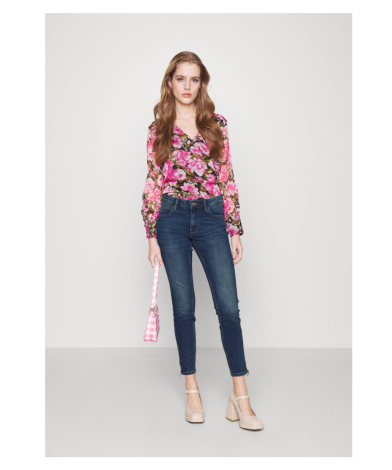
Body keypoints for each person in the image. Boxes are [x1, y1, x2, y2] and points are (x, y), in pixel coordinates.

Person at [140, 51, 264, 430]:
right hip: (171, 218)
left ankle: (240, 394)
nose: (187, 86)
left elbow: (227, 176)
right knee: (184, 308)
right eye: (181, 79)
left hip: (211, 216)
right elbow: (153, 182)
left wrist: (234, 228)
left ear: (201, 83)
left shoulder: (216, 124)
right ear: (170, 82)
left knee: (228, 308)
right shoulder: (158, 128)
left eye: (194, 79)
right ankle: (191, 388)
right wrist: (151, 236)